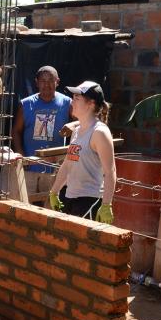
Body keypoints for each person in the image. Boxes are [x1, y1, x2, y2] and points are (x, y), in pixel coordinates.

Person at [47, 81, 116, 224]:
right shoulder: (77, 131)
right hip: (70, 196)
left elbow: (110, 171)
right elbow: (67, 165)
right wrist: (54, 192)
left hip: (90, 200)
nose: (72, 102)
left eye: (77, 99)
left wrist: (106, 205)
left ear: (91, 104)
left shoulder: (99, 132)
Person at [12, 65, 72, 203]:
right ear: (36, 82)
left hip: (54, 168)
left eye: (51, 80)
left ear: (57, 81)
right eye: (43, 81)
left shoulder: (67, 103)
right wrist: (21, 157)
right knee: (24, 205)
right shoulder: (26, 104)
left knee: (51, 207)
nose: (47, 84)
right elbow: (16, 131)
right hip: (30, 166)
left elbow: (82, 126)